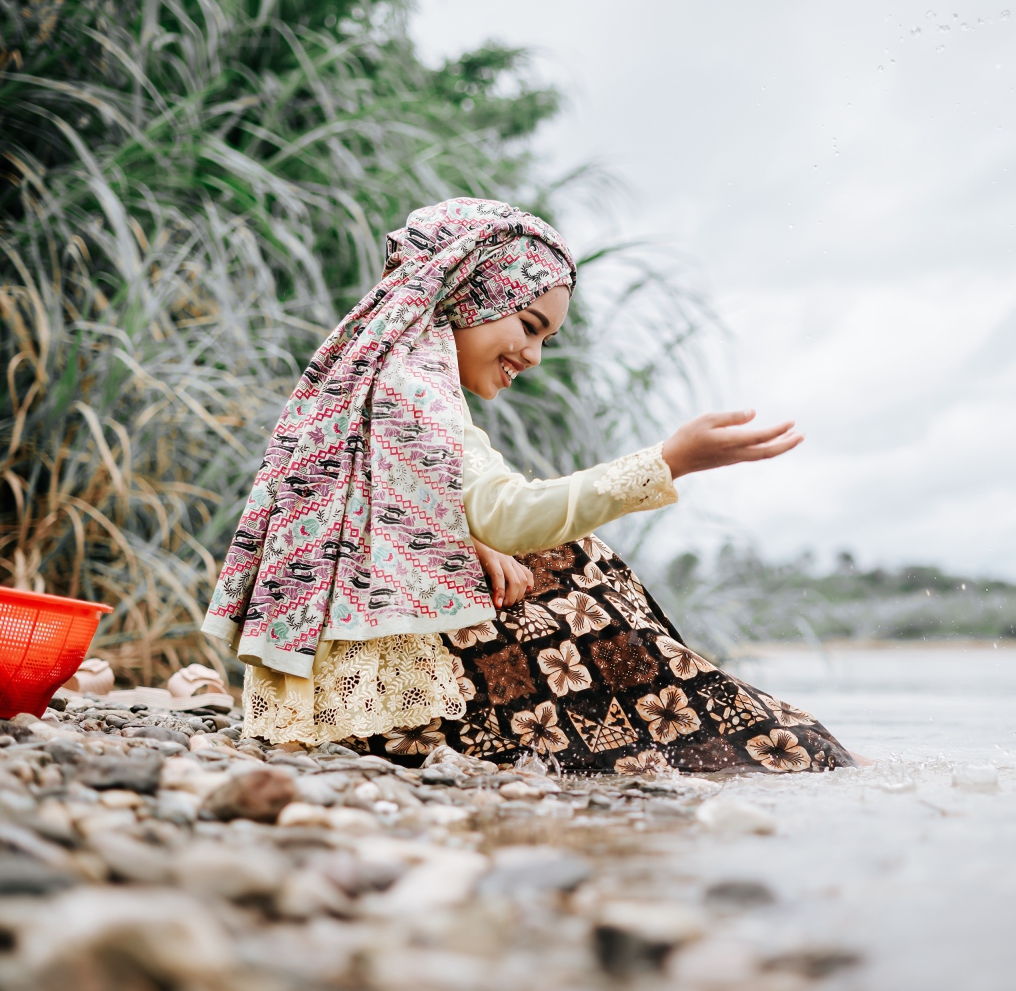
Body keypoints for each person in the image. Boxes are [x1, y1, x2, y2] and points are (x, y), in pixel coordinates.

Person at [203, 198, 860, 773]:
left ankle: (739, 737)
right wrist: (669, 460)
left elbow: (380, 524)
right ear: (470, 294)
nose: (534, 356)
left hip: (327, 695)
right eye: (529, 326)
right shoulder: (414, 389)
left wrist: (464, 541)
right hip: (376, 713)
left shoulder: (378, 374)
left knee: (549, 561)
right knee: (577, 565)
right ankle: (744, 744)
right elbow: (512, 516)